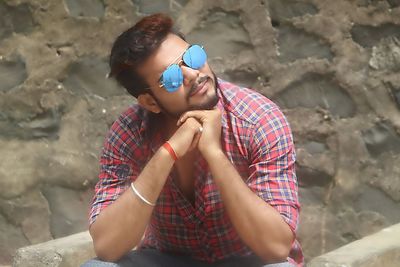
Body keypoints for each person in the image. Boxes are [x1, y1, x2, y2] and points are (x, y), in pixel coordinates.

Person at [82, 13, 303, 267]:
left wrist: (214, 154)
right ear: (150, 102)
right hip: (168, 259)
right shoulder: (129, 133)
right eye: (171, 78)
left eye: (192, 57)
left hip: (248, 259)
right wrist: (167, 153)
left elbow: (275, 247)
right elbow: (108, 248)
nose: (192, 74)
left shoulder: (258, 120)